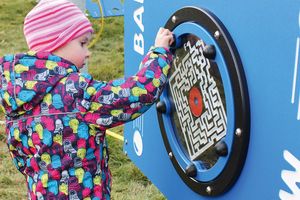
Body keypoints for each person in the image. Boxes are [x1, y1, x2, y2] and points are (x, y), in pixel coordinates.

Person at [0, 0, 173, 199]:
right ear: (56, 43)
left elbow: (21, 160)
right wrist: (159, 52)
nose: (88, 52)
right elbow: (137, 93)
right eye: (82, 43)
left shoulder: (15, 97)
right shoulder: (76, 92)